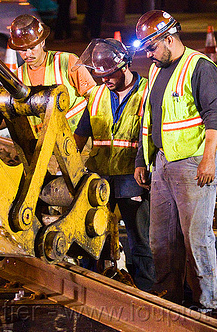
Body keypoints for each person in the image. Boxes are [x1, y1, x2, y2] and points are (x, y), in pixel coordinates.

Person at [133, 10, 217, 316]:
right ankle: (169, 300)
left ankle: (208, 306)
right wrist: (142, 159)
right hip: (162, 164)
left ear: (169, 39)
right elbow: (149, 119)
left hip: (194, 164)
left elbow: (215, 117)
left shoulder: (200, 67)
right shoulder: (156, 69)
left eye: (151, 47)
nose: (148, 55)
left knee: (196, 240)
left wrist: (208, 160)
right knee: (160, 241)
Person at [73, 38, 155, 291]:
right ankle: (92, 285)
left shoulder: (147, 93)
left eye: (109, 74)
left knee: (138, 238)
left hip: (133, 178)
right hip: (99, 178)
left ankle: (145, 289)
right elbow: (80, 135)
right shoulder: (96, 95)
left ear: (125, 66)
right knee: (92, 231)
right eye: (102, 75)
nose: (105, 80)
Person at [8, 14, 96, 132]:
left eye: (32, 48)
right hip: (42, 146)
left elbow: (94, 98)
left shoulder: (67, 61)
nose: (28, 54)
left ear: (42, 42)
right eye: (23, 50)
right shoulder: (17, 77)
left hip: (77, 141)